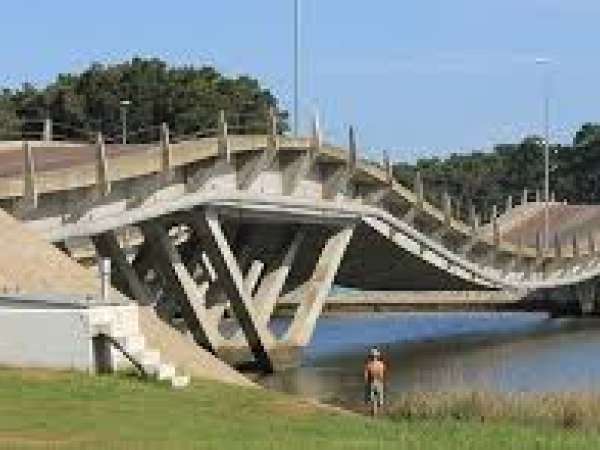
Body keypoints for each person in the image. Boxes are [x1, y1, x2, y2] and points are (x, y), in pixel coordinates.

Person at [364, 346, 386, 414]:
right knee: (380, 400)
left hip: (372, 383)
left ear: (371, 356)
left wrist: (367, 386)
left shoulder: (368, 365)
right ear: (378, 356)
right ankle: (380, 413)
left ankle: (374, 414)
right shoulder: (381, 365)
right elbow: (382, 375)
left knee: (373, 400)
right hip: (379, 382)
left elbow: (366, 377)